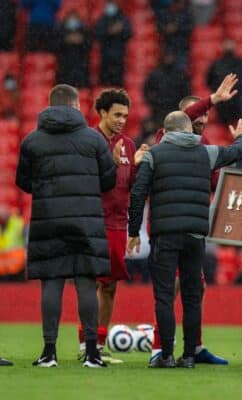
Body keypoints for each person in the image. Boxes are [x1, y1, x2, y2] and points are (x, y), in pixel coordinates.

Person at [127, 112, 242, 368]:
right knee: (192, 297)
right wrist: (241, 137)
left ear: (166, 131)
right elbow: (238, 152)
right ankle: (189, 356)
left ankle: (166, 355)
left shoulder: (154, 154)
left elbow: (138, 193)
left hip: (165, 234)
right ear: (188, 130)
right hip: (195, 235)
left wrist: (133, 230)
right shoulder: (206, 152)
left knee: (163, 297)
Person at [16, 84, 116, 368]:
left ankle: (49, 352)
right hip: (86, 219)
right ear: (75, 106)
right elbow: (108, 181)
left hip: (48, 219)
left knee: (52, 282)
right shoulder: (93, 140)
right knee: (86, 282)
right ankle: (93, 354)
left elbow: (23, 182)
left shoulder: (32, 141)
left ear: (50, 106)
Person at [75, 89, 148, 364]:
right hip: (92, 220)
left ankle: (100, 343)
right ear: (102, 113)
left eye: (125, 116)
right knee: (89, 283)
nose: (121, 120)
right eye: (117, 114)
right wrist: (111, 163)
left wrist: (138, 167)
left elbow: (128, 186)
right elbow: (83, 182)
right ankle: (86, 343)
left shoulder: (128, 144)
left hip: (117, 222)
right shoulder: (87, 141)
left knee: (109, 285)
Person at [206, 39, 242, 124]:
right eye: (226, 44)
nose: (229, 46)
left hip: (239, 102)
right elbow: (208, 81)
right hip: (222, 104)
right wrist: (218, 91)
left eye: (230, 44)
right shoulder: (216, 64)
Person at [144, 49, 191, 126]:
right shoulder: (155, 74)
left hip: (176, 110)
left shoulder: (180, 75)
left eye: (170, 56)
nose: (168, 59)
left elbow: (187, 92)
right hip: (159, 110)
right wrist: (153, 103)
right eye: (166, 57)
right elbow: (146, 91)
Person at [95, 1, 132, 87]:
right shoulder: (102, 19)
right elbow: (97, 34)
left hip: (119, 57)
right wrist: (109, 31)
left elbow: (129, 33)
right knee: (104, 85)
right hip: (105, 57)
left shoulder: (123, 19)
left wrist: (121, 30)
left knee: (118, 85)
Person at [55, 11, 91, 88]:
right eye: (71, 18)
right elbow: (56, 46)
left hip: (80, 68)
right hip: (65, 68)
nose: (73, 20)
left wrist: (81, 40)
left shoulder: (84, 30)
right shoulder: (60, 30)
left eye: (75, 18)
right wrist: (66, 40)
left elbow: (89, 45)